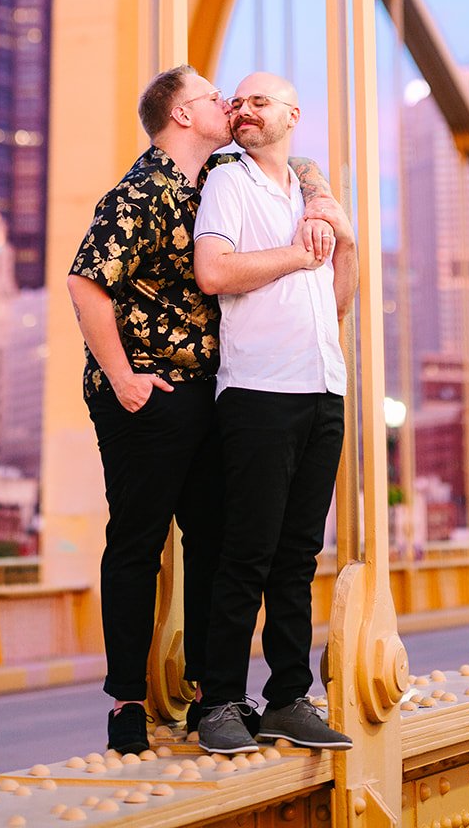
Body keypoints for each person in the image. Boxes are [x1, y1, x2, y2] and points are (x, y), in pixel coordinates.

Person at [66, 64, 334, 755]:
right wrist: (123, 378)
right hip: (147, 393)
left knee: (215, 541)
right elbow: (86, 282)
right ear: (182, 115)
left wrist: (317, 196)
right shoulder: (138, 192)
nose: (228, 104)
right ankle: (127, 702)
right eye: (214, 97)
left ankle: (215, 696)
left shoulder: (215, 176)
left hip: (210, 391)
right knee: (137, 543)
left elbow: (295, 158)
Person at [192, 71, 357, 755]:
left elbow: (337, 300)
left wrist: (344, 243)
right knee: (246, 554)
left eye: (260, 101)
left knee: (297, 558)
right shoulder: (227, 182)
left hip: (323, 388)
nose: (243, 110)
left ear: (293, 114)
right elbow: (213, 272)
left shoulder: (307, 189)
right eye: (236, 102)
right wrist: (298, 253)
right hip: (259, 391)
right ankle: (220, 701)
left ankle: (288, 698)